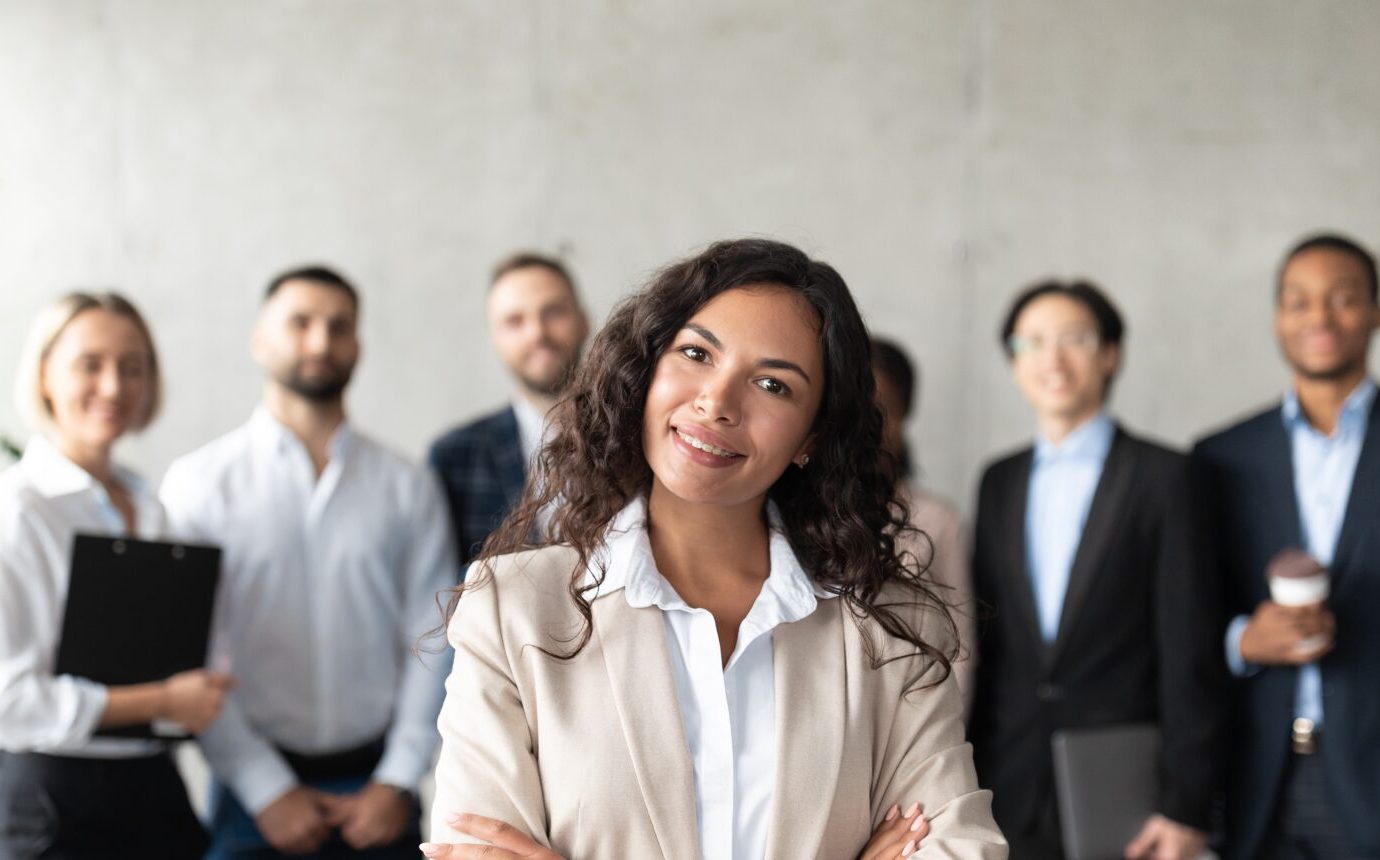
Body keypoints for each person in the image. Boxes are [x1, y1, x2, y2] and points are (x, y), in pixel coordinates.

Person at [421, 238, 1007, 859]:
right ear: (646, 370)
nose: (716, 402)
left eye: (773, 385)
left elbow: (961, 848)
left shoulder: (892, 631)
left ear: (812, 435)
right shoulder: (510, 609)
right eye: (697, 353)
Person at [160, 266, 456, 858]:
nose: (320, 341)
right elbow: (192, 651)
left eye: (338, 327)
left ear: (358, 346)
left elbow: (434, 634)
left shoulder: (406, 485)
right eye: (300, 323)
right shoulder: (197, 484)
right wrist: (265, 789)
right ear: (260, 339)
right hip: (251, 791)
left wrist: (399, 777)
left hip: (381, 787)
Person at [969, 280, 1226, 859]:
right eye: (1031, 342)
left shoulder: (1166, 477)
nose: (1052, 358)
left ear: (1111, 354)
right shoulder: (998, 481)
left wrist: (1186, 802)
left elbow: (1191, 649)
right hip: (1008, 776)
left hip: (1125, 783)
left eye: (1074, 339)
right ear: (1013, 361)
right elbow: (990, 638)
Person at [0, 292, 230, 858]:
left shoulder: (152, 508)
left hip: (153, 790)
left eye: (133, 367)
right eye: (90, 364)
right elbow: (10, 702)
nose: (114, 386)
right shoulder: (20, 510)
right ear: (45, 374)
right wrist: (162, 700)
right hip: (55, 804)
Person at [1193, 233, 1380, 859]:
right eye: (1298, 301)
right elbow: (1187, 616)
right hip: (1252, 781)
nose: (1319, 317)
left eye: (1343, 298)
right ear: (1279, 317)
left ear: (1375, 310)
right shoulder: (1220, 459)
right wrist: (1243, 640)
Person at [429, 252, 591, 567]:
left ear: (584, 321)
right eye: (515, 321)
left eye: (553, 312)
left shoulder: (637, 435)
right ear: (496, 340)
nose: (537, 333)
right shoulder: (456, 457)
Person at [871, 337, 977, 704]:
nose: (868, 427)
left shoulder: (937, 520)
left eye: (884, 411)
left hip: (912, 721)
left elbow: (959, 648)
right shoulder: (789, 514)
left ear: (905, 416)